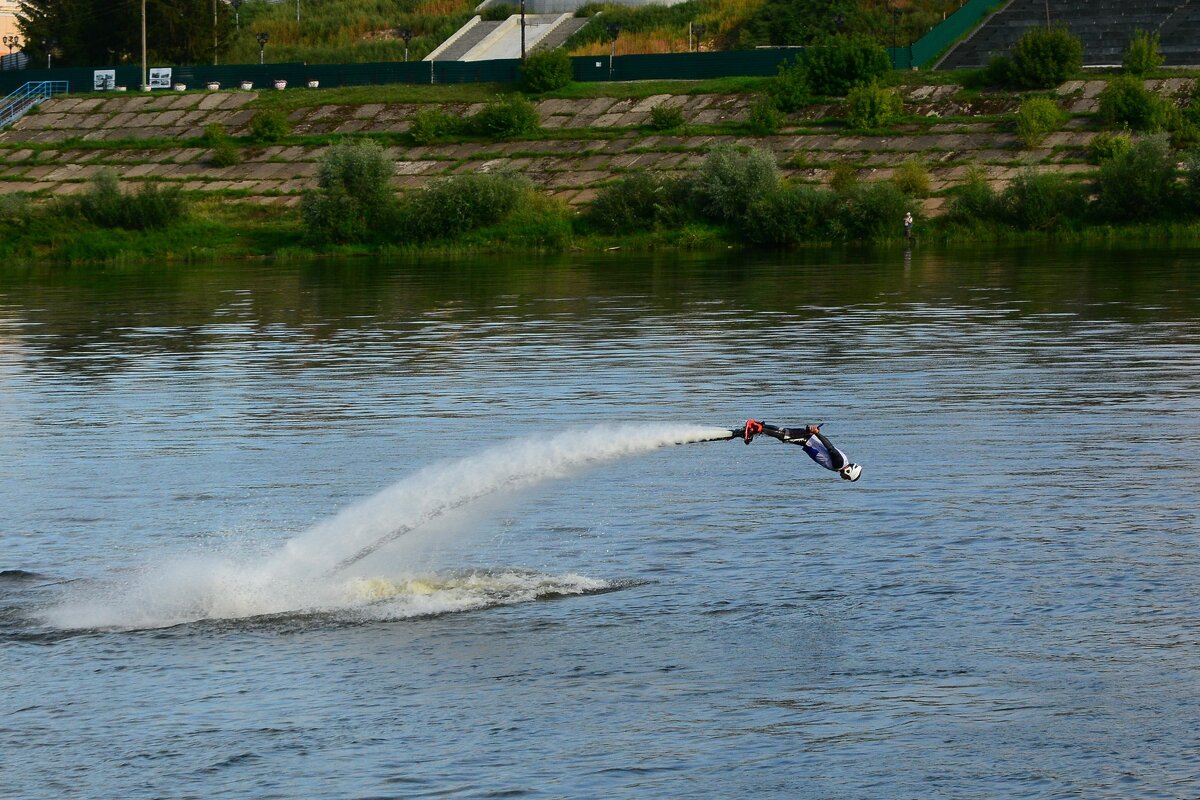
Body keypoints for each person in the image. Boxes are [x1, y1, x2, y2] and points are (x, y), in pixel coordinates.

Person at [730, 420, 862, 482]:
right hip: (808, 440)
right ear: (849, 472)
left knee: (784, 433)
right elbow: (830, 447)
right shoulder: (839, 463)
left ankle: (753, 429)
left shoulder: (842, 462)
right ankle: (756, 427)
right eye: (847, 478)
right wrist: (817, 433)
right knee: (784, 436)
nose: (844, 478)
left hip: (809, 439)